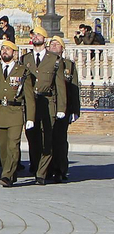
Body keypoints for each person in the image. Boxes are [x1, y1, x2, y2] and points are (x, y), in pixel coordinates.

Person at [0, 40, 33, 186]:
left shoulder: (22, 71)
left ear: (15, 53)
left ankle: (6, 175)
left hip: (15, 112)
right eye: (3, 49)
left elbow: (29, 96)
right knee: (3, 147)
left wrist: (30, 117)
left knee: (13, 145)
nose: (5, 51)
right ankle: (10, 172)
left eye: (8, 49)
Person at [46, 36, 77, 183]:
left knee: (60, 140)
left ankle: (60, 169)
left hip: (63, 107)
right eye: (51, 44)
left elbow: (73, 88)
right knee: (47, 139)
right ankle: (47, 168)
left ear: (62, 48)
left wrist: (75, 109)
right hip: (47, 107)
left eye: (56, 44)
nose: (53, 46)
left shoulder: (68, 65)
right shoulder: (44, 64)